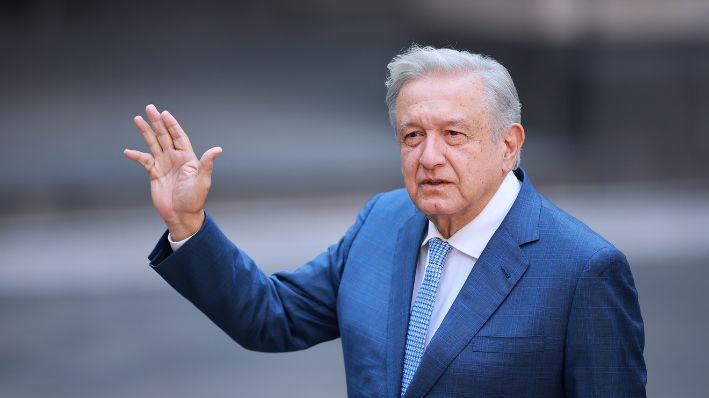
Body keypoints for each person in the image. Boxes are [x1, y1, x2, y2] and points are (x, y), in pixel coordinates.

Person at [124, 45, 646, 397]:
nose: (429, 157)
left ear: (508, 145)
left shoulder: (583, 271)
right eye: (412, 136)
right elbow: (273, 316)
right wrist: (188, 221)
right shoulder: (384, 219)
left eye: (454, 135)